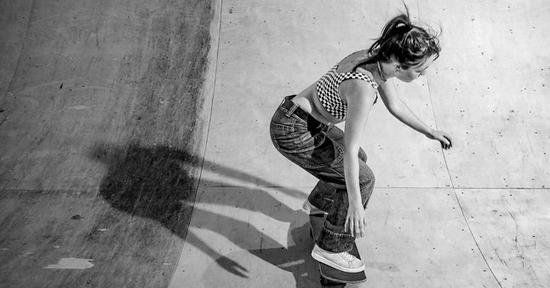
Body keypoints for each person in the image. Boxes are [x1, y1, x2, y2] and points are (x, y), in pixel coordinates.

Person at [269, 9, 453, 273]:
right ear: (400, 66)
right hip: (294, 130)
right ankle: (331, 248)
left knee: (361, 160)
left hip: (303, 120)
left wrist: (429, 131)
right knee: (364, 179)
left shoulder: (377, 59)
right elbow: (350, 149)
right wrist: (355, 203)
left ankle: (320, 202)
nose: (422, 76)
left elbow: (395, 105)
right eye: (420, 71)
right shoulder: (363, 87)